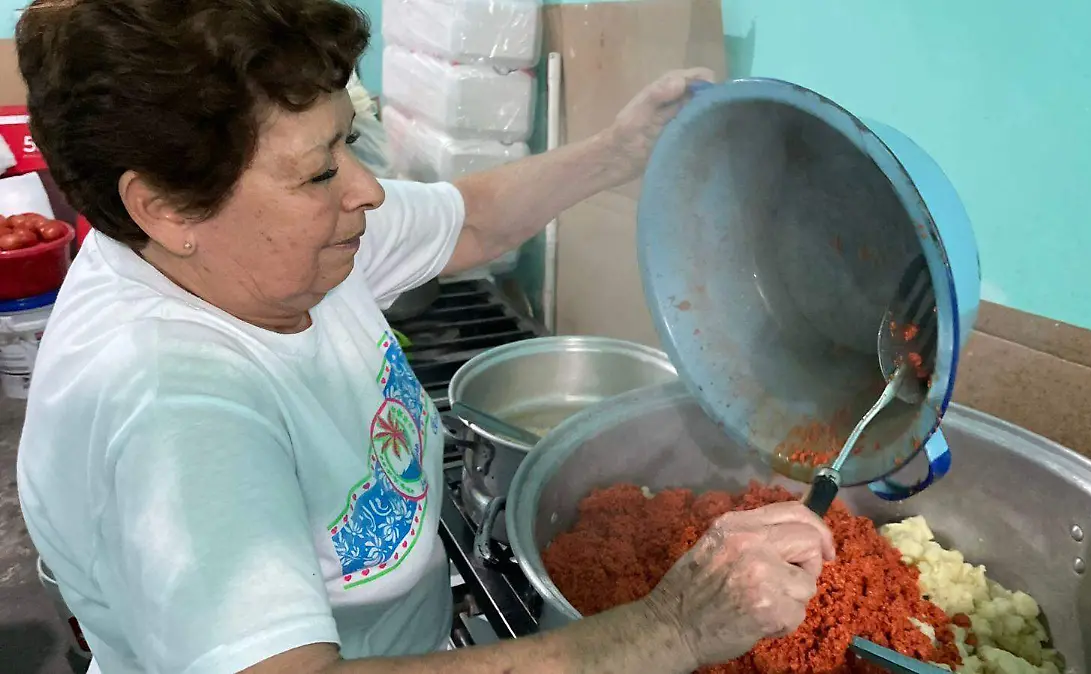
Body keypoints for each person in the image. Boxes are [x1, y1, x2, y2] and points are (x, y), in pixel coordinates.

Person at [13, 1, 836, 673]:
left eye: (349, 140)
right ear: (163, 207)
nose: (366, 189)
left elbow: (469, 220)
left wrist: (621, 150)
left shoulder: (269, 248)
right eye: (319, 170)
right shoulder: (175, 414)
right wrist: (673, 630)